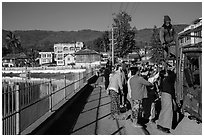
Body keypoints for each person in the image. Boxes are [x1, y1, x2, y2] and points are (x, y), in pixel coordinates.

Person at [157, 69, 176, 133]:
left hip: (164, 95)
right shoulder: (167, 79)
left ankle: (160, 123)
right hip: (167, 95)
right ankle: (164, 126)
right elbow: (173, 75)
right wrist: (173, 69)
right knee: (168, 111)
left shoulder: (162, 80)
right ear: (165, 74)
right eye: (166, 72)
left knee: (164, 110)